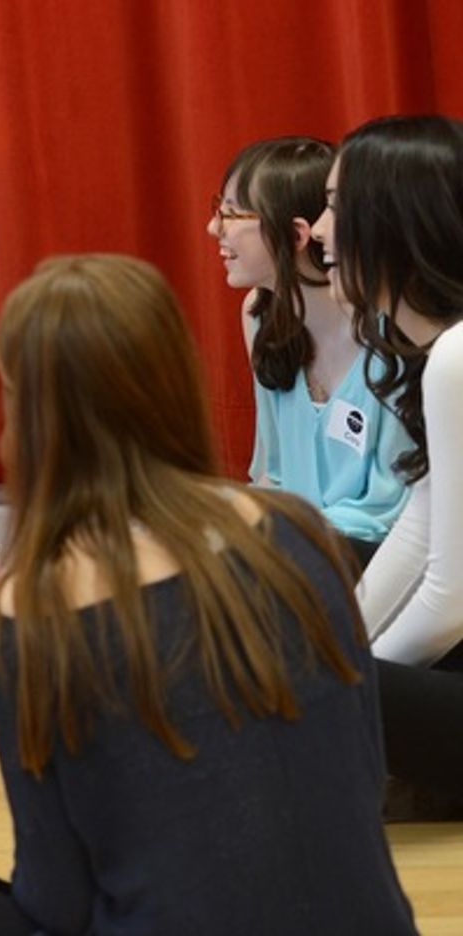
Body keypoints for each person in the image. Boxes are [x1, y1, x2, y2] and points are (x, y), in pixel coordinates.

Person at [0, 256, 416, 934]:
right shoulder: (299, 533)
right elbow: (356, 774)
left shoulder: (29, 616)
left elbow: (57, 900)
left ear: (30, 416)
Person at [312, 114, 463, 819]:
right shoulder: (442, 352)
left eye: (334, 207)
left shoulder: (457, 356)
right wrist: (343, 658)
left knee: (290, 678)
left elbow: (452, 596)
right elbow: (419, 531)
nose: (317, 232)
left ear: (393, 219)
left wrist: (339, 693)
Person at [208, 136, 409, 567]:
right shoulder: (259, 315)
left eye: (231, 213)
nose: (214, 228)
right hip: (295, 548)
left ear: (298, 233)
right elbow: (273, 472)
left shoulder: (395, 329)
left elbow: (392, 509)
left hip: (375, 561)